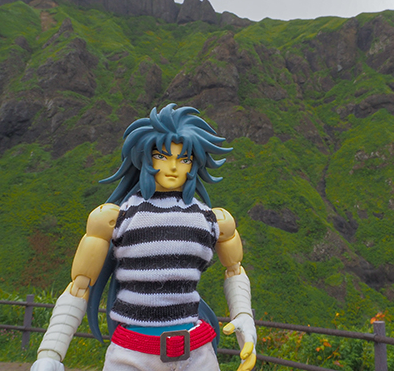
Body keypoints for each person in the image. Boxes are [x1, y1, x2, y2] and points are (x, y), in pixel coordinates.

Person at [31, 104, 257, 371]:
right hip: (131, 355)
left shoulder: (213, 220)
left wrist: (244, 317)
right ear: (145, 158)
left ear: (194, 163)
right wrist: (51, 352)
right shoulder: (114, 218)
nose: (173, 167)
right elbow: (80, 286)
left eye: (184, 159)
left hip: (196, 354)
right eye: (162, 156)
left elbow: (234, 270)